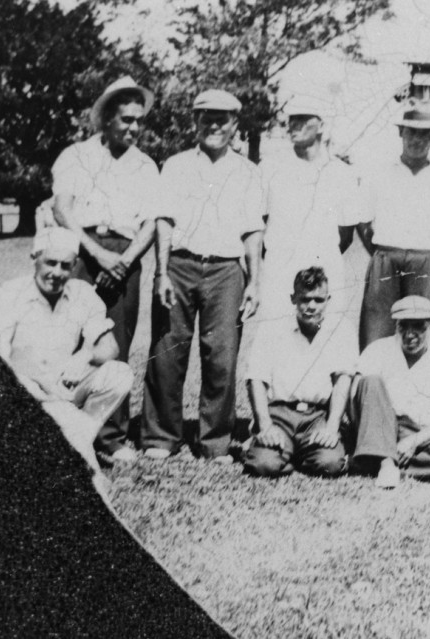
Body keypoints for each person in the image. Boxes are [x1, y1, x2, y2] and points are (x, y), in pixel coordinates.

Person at [144, 89, 264, 462]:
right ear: (194, 122)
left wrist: (255, 282)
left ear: (234, 125)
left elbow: (253, 232)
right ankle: (161, 438)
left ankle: (215, 441)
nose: (213, 125)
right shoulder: (176, 165)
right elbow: (164, 219)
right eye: (205, 118)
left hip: (226, 270)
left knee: (221, 357)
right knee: (167, 352)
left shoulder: (248, 172)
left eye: (221, 119)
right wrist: (162, 273)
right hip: (179, 265)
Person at [51, 76, 162, 463]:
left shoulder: (147, 166)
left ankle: (110, 437)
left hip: (125, 255)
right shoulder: (75, 155)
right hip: (82, 251)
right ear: (106, 119)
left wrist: (126, 260)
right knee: (70, 338)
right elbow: (62, 209)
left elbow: (152, 222)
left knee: (116, 342)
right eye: (125, 120)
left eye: (138, 121)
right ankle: (62, 427)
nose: (133, 128)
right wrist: (97, 254)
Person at [0, 227, 132, 473]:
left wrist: (84, 356)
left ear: (74, 267)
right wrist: (33, 386)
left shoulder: (82, 293)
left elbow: (110, 347)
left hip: (62, 391)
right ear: (34, 259)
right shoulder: (9, 295)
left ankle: (77, 440)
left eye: (65, 266)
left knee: (119, 374)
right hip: (19, 394)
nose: (56, 273)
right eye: (50, 263)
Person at [356, 98, 430, 349]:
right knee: (378, 335)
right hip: (385, 261)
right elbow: (363, 223)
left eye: (425, 134)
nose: (417, 140)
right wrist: (385, 253)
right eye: (411, 132)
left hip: (428, 263)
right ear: (400, 132)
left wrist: (425, 251)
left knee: (427, 339)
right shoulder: (378, 173)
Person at [242, 267, 357, 477]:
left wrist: (332, 428)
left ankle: (292, 453)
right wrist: (265, 425)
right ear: (293, 298)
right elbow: (256, 379)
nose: (311, 307)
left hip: (316, 416)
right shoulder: (272, 328)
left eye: (318, 300)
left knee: (330, 464)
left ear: (328, 300)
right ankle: (273, 448)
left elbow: (343, 380)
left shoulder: (341, 329)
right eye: (304, 299)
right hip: (279, 414)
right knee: (263, 465)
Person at [257, 95, 362, 321]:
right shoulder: (270, 168)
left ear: (322, 125)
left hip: (325, 267)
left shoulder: (341, 173)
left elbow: (346, 236)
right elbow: (259, 224)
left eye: (303, 119)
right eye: (292, 119)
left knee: (324, 339)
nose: (294, 125)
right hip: (280, 269)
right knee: (278, 335)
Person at [349, 296, 430, 488]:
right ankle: (385, 462)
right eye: (403, 326)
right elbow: (355, 396)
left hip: (417, 434)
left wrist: (415, 440)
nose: (410, 334)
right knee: (370, 380)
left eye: (418, 326)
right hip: (378, 426)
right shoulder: (378, 349)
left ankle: (373, 461)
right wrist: (376, 434)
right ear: (396, 325)